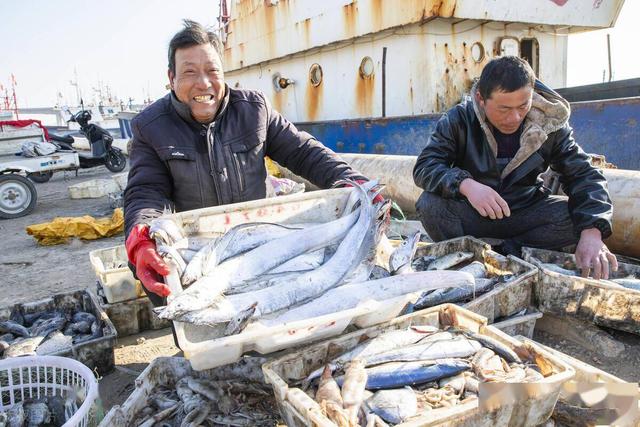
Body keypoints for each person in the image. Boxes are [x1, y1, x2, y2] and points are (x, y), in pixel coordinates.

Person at [124, 20, 372, 305]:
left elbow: (305, 152)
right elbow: (145, 191)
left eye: (212, 71)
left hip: (263, 240)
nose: (203, 83)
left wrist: (356, 182)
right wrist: (141, 239)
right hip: (199, 247)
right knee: (146, 258)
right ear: (171, 77)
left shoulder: (254, 109)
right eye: (189, 72)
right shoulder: (150, 126)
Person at [413, 56, 616, 279]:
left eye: (523, 106)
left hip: (524, 212)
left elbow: (584, 174)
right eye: (503, 109)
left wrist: (593, 232)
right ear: (481, 98)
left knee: (575, 217)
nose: (515, 117)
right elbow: (426, 166)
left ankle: (509, 253)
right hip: (472, 214)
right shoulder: (458, 119)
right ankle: (466, 256)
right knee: (430, 205)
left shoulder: (549, 124)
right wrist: (466, 185)